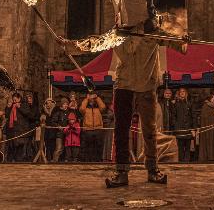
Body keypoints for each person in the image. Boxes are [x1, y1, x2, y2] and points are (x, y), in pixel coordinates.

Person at [57, 29, 188, 186]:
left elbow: (176, 44)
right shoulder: (118, 34)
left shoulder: (151, 32)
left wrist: (183, 40)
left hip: (146, 85)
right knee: (121, 129)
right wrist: (70, 45)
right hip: (124, 85)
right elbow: (96, 42)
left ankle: (152, 169)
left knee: (149, 130)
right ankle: (121, 171)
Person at [4, 92, 34, 162]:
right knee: (11, 147)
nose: (14, 101)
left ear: (19, 98)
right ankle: (9, 160)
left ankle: (19, 160)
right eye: (13, 100)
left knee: (19, 146)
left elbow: (27, 113)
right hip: (12, 130)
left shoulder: (24, 104)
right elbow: (7, 115)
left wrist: (19, 107)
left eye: (15, 99)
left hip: (21, 130)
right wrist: (8, 108)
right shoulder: (11, 105)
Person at [79, 92, 106, 162]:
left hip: (98, 129)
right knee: (88, 147)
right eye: (91, 98)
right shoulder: (85, 109)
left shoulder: (99, 108)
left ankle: (98, 160)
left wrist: (97, 98)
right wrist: (87, 99)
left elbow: (103, 107)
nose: (92, 100)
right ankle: (88, 161)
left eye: (93, 98)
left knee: (98, 146)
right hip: (88, 130)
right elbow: (81, 109)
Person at [197, 93, 214, 161]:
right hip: (208, 128)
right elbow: (205, 117)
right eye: (213, 97)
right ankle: (209, 156)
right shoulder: (206, 106)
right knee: (208, 141)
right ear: (210, 98)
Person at [172, 87, 194, 162]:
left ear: (186, 93)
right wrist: (176, 126)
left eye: (183, 91)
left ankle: (187, 162)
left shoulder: (189, 103)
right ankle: (181, 162)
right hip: (179, 129)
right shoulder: (175, 104)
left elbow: (193, 116)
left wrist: (194, 129)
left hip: (188, 129)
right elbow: (173, 116)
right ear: (179, 93)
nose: (182, 93)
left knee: (188, 147)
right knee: (180, 147)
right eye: (181, 92)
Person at [50, 97, 71, 162]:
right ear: (62, 104)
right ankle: (54, 160)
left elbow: (72, 121)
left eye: (66, 104)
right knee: (58, 148)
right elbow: (53, 121)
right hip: (59, 133)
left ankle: (59, 160)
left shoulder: (69, 112)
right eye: (64, 104)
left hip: (67, 133)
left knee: (63, 148)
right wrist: (58, 126)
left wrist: (68, 126)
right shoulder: (58, 112)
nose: (66, 105)